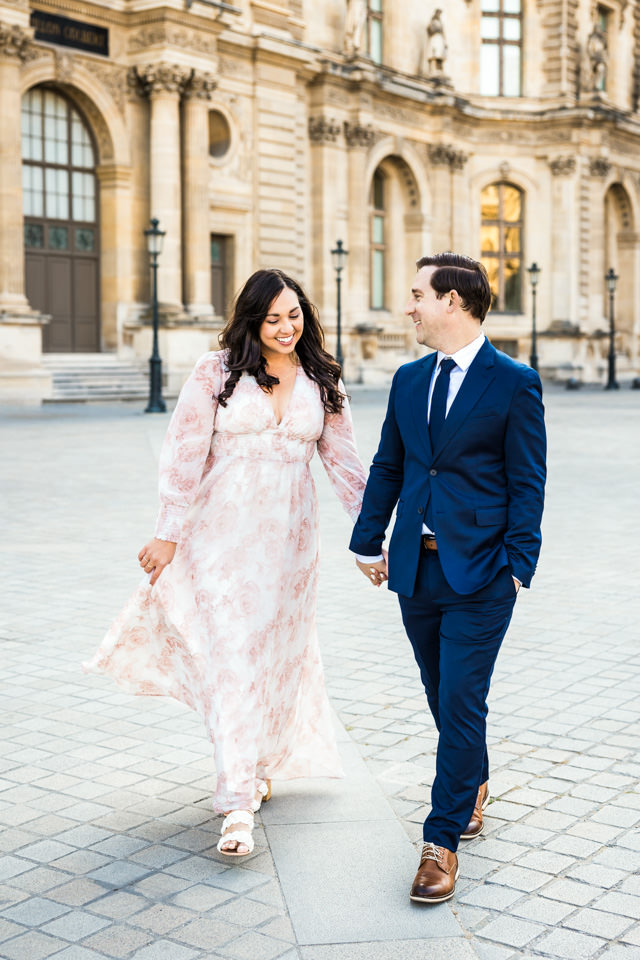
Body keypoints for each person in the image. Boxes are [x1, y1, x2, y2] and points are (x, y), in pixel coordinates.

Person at [84, 268, 366, 857]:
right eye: (272, 319)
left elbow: (345, 467)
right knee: (235, 658)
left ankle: (255, 763)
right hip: (221, 539)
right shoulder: (216, 373)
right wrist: (167, 534)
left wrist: (372, 541)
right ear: (251, 320)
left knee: (274, 659)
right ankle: (236, 805)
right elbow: (183, 453)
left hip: (291, 546)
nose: (286, 328)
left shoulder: (322, 378)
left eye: (294, 316)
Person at [349, 252, 546, 903]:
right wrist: (367, 539)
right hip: (416, 571)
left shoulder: (514, 382)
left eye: (417, 295)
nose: (408, 306)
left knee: (461, 700)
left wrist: (519, 564)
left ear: (453, 302)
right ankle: (475, 778)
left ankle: (441, 843)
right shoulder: (409, 380)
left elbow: (528, 480)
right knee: (444, 697)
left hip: (483, 575)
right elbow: (388, 467)